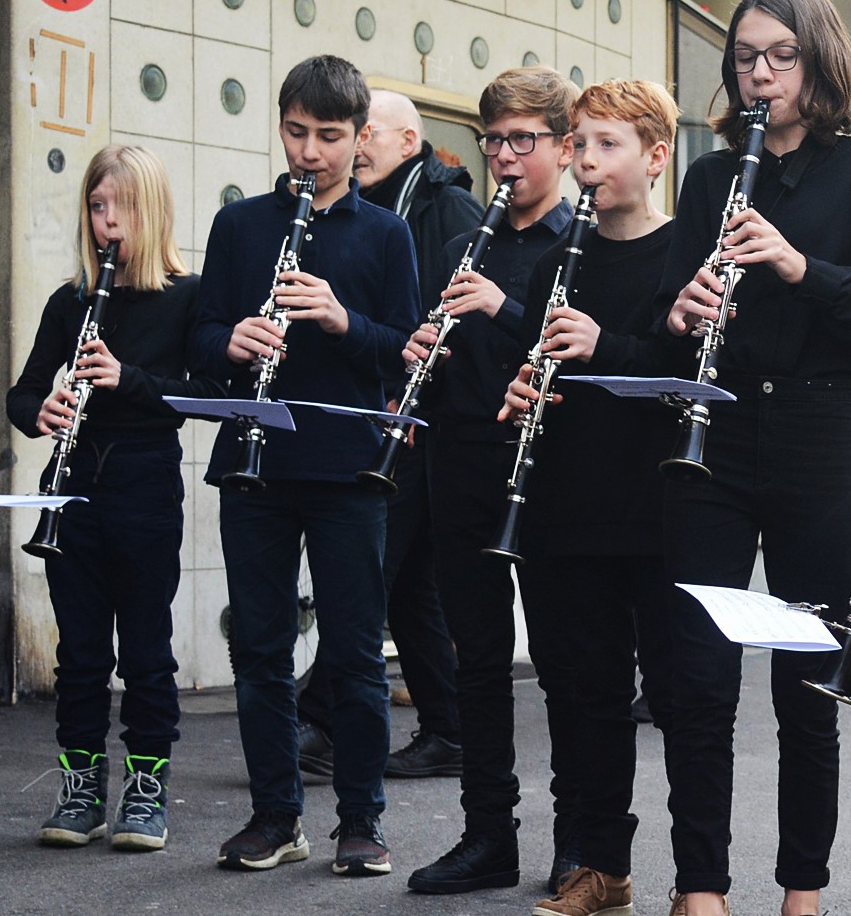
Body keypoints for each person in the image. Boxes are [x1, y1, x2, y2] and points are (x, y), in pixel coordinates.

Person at [659, 0, 851, 916]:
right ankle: (700, 886)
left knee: (804, 683)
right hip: (718, 436)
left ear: (818, 62)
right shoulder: (706, 177)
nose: (760, 73)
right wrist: (682, 308)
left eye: (781, 55)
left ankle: (802, 890)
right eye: (745, 57)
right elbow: (669, 320)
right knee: (697, 681)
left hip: (816, 436)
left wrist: (799, 266)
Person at [194, 55, 421, 877]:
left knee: (356, 650)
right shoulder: (241, 225)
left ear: (359, 138)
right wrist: (229, 341)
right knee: (258, 647)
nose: (311, 152)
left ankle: (360, 817)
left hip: (347, 470)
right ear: (281, 126)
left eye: (330, 136)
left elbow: (405, 350)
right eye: (297, 132)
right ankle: (275, 813)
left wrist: (338, 318)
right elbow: (201, 334)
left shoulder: (386, 233)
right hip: (255, 463)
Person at [7, 144, 221, 852]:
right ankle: (80, 789)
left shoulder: (185, 296)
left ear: (149, 210)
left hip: (143, 484)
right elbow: (24, 390)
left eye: (119, 207)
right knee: (81, 652)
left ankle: (147, 789)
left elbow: (200, 397)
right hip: (73, 489)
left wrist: (125, 376)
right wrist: (41, 411)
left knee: (148, 651)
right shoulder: (69, 301)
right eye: (97, 206)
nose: (106, 220)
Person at [500, 79, 681, 916]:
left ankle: (698, 873)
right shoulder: (554, 263)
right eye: (580, 143)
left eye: (608, 144)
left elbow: (693, 378)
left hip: (658, 505)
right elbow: (547, 371)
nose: (587, 160)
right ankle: (595, 864)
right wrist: (525, 390)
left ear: (654, 154)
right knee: (581, 694)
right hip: (567, 504)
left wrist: (607, 344)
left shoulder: (686, 257)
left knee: (683, 698)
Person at [404, 66, 580, 896]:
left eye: (522, 141)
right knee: (476, 659)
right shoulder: (458, 243)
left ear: (561, 145)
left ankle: (578, 840)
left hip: (551, 468)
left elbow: (580, 364)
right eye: (493, 142)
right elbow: (452, 361)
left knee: (565, 658)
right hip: (463, 461)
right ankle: (487, 836)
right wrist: (420, 358)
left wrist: (504, 308)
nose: (504, 159)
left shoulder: (582, 242)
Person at [295, 89, 481, 781]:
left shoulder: (446, 208)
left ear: (410, 141)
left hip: (417, 422)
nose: (359, 143)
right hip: (394, 414)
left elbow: (445, 321)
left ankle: (316, 719)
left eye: (371, 131)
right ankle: (451, 726)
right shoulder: (372, 209)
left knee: (369, 573)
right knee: (408, 588)